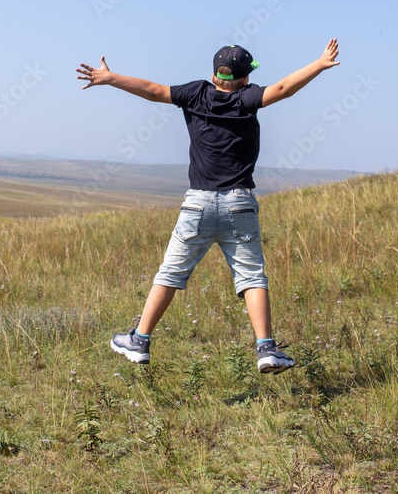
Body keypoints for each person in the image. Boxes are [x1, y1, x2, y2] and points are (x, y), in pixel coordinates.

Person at [76, 39, 340, 374]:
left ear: (214, 75)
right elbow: (284, 88)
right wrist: (319, 63)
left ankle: (139, 340)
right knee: (252, 278)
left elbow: (153, 91)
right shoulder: (247, 99)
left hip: (197, 205)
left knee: (169, 274)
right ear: (245, 79)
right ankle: (266, 349)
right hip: (239, 205)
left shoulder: (195, 93)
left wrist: (110, 78)